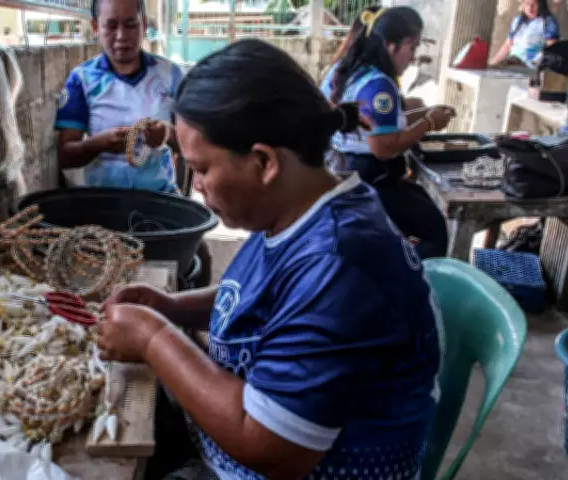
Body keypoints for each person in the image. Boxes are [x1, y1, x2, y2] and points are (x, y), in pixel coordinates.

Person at [98, 38, 444, 480]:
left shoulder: (340, 263)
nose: (197, 185)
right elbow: (266, 298)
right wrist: (173, 307)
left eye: (201, 169)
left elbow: (267, 443)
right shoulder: (297, 211)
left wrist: (152, 338)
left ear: (263, 162)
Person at [320, 6, 453, 260]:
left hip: (346, 170)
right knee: (435, 229)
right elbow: (383, 146)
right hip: (371, 179)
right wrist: (427, 122)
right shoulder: (379, 85)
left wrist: (425, 116)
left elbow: (386, 124)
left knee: (422, 205)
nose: (413, 58)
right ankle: (413, 284)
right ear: (391, 46)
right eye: (411, 48)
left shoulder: (355, 72)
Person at [54, 0, 183, 193]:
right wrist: (97, 145)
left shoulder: (171, 75)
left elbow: (198, 144)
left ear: (144, 24)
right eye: (111, 25)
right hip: (104, 203)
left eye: (131, 24)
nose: (122, 36)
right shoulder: (82, 80)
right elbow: (65, 156)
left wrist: (168, 134)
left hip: (161, 199)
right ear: (95, 26)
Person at [489, 0, 559, 69]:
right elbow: (507, 45)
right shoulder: (517, 21)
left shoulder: (547, 21)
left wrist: (537, 65)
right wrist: (493, 63)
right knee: (494, 70)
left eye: (534, 4)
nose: (530, 7)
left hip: (530, 65)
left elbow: (552, 49)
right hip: (513, 61)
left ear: (541, 4)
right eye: (527, 3)